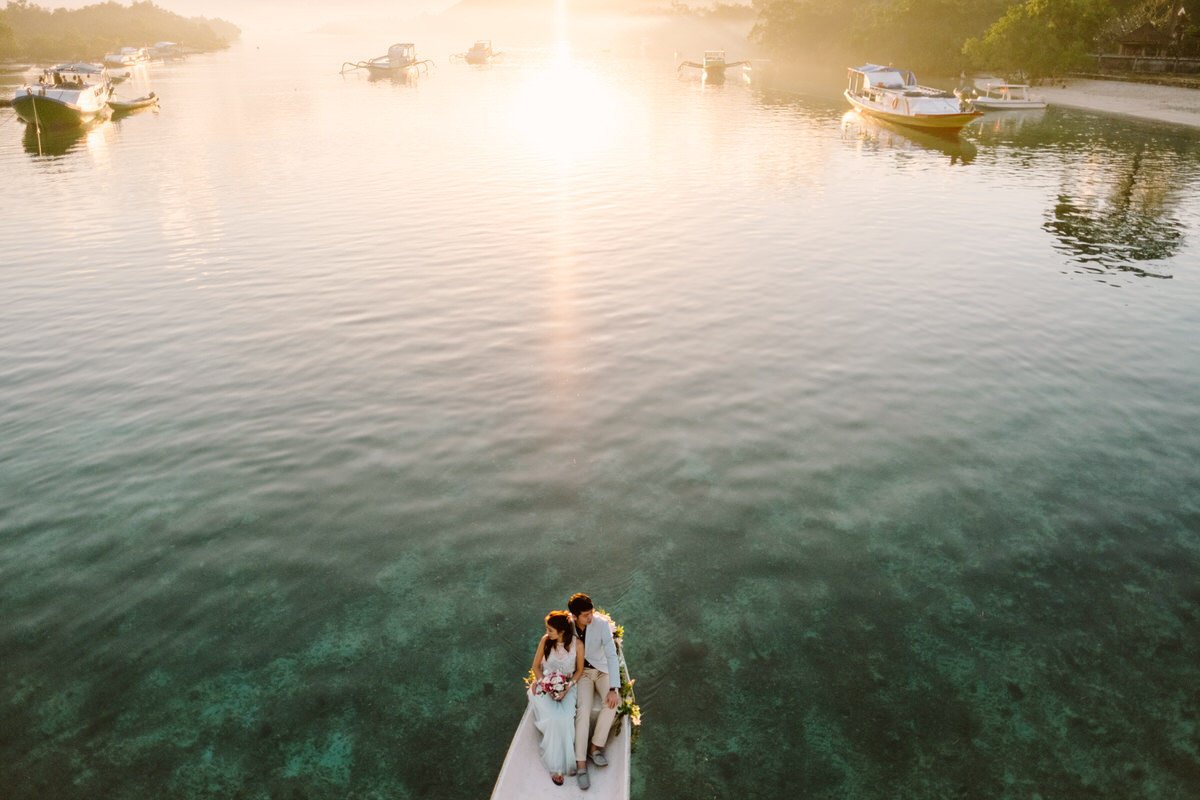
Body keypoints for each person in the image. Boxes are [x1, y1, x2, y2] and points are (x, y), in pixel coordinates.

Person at [568, 593, 622, 790]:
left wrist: (613, 688)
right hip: (581, 673)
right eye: (585, 615)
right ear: (575, 616)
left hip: (602, 669)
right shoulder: (568, 626)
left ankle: (595, 747)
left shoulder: (600, 624)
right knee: (583, 709)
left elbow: (611, 655)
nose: (590, 618)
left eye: (591, 613)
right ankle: (580, 763)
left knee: (614, 702)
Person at [528, 610, 585, 785]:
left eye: (550, 629)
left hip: (567, 685)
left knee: (566, 720)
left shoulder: (578, 645)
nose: (547, 632)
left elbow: (579, 671)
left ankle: (567, 761)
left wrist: (566, 688)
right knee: (554, 718)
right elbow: (536, 666)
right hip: (544, 684)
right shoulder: (546, 641)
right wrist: (545, 683)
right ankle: (556, 766)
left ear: (562, 631)